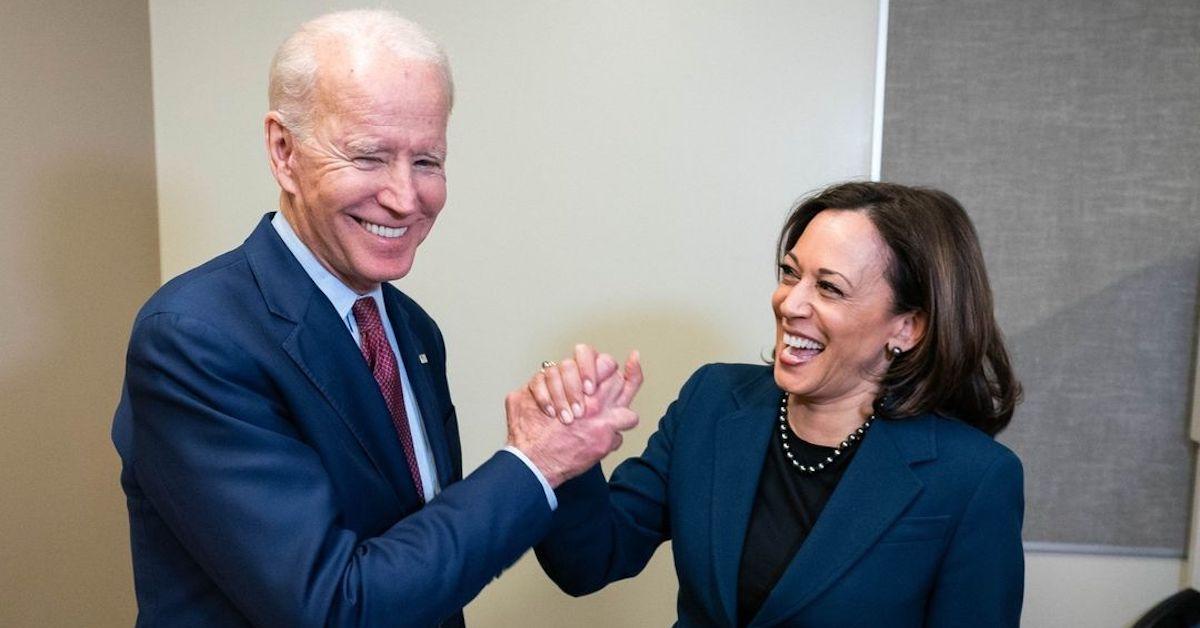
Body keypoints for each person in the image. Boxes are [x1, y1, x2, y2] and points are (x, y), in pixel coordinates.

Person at [111, 10, 639, 627]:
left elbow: (426, 566)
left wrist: (555, 454)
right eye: (368, 157)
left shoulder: (410, 330)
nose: (404, 197)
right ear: (284, 152)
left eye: (427, 161)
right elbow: (336, 607)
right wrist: (534, 464)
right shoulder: (193, 339)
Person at [530, 181, 1025, 627]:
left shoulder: (974, 478)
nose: (789, 303)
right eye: (791, 274)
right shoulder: (713, 402)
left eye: (829, 288)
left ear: (906, 327)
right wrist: (568, 452)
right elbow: (588, 562)